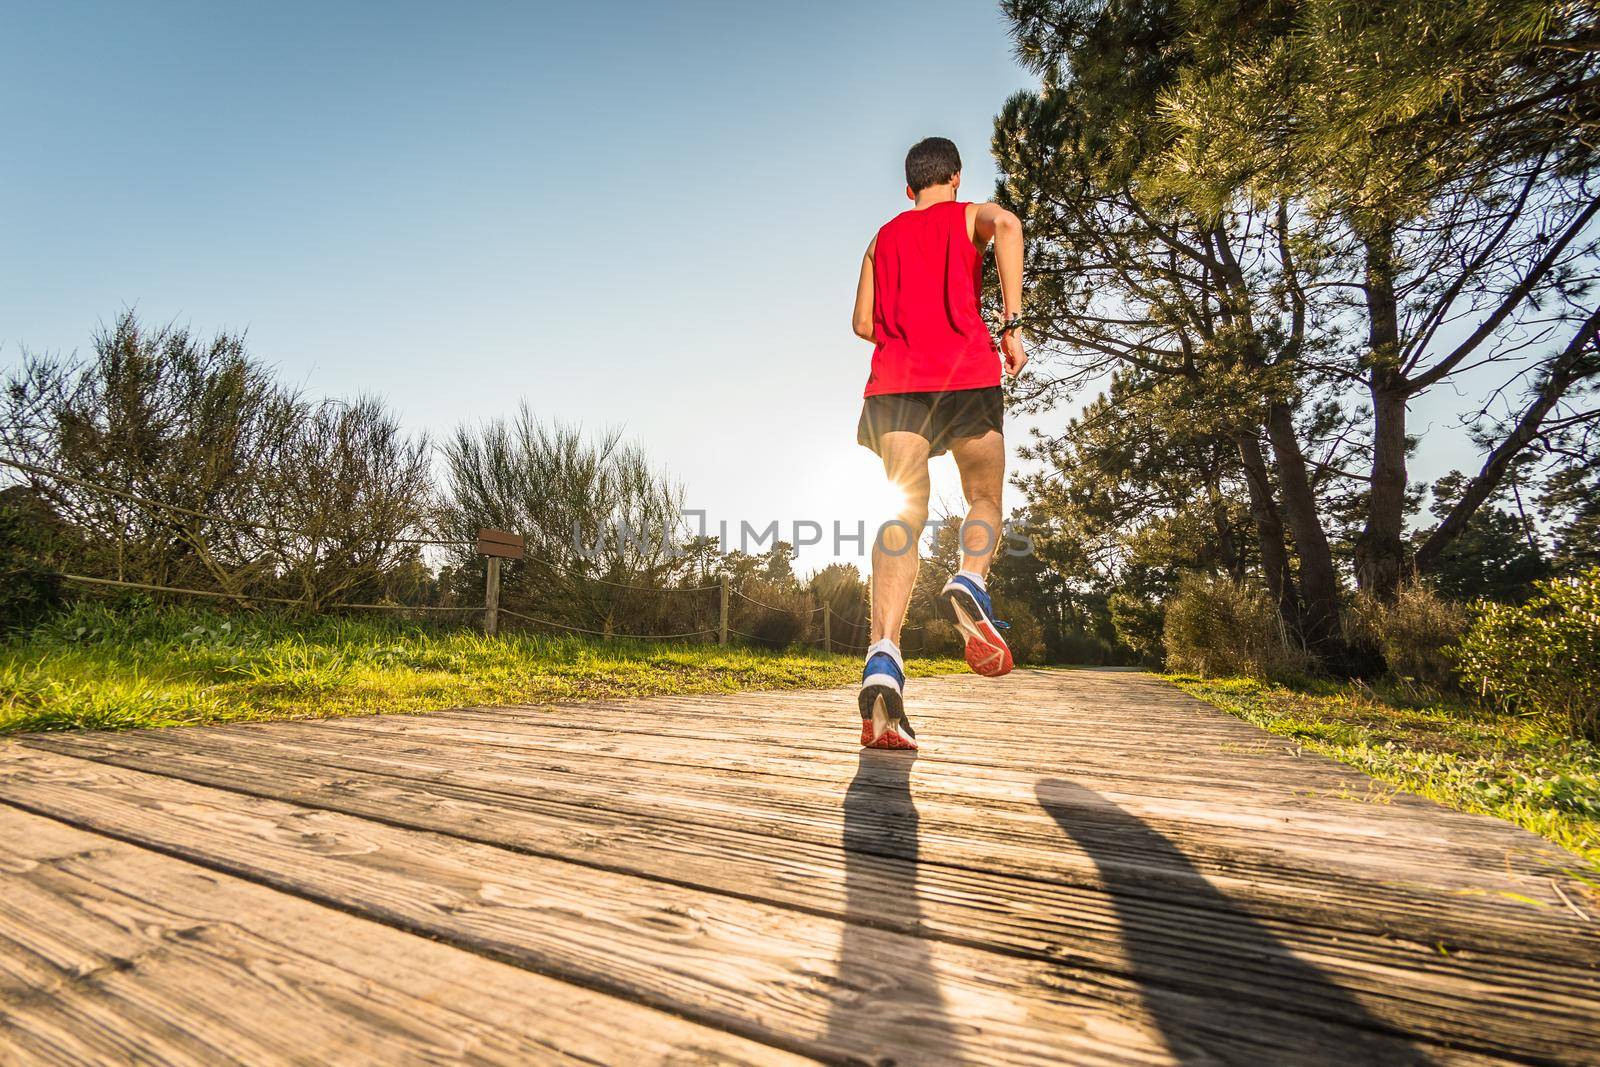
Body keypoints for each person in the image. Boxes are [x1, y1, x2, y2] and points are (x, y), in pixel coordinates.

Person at [851, 136, 1027, 750]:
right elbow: (1008, 224)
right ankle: (970, 579)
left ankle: (882, 653)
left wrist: (906, 326)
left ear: (908, 188)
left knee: (903, 512)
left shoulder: (882, 238)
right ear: (954, 177)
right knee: (982, 497)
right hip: (966, 373)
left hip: (895, 385)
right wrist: (1011, 322)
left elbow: (862, 324)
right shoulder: (968, 214)